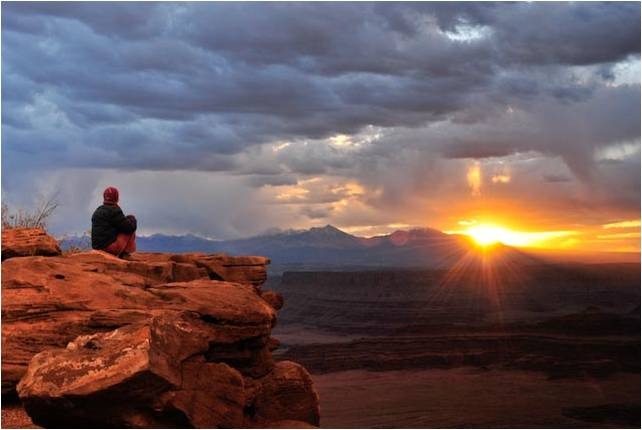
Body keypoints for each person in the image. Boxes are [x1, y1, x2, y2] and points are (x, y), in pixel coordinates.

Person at [91, 186, 137, 258]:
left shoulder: (98, 210)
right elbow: (129, 228)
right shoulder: (114, 211)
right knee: (131, 227)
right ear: (117, 198)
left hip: (97, 247)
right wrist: (133, 219)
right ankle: (126, 254)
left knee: (125, 225)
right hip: (109, 248)